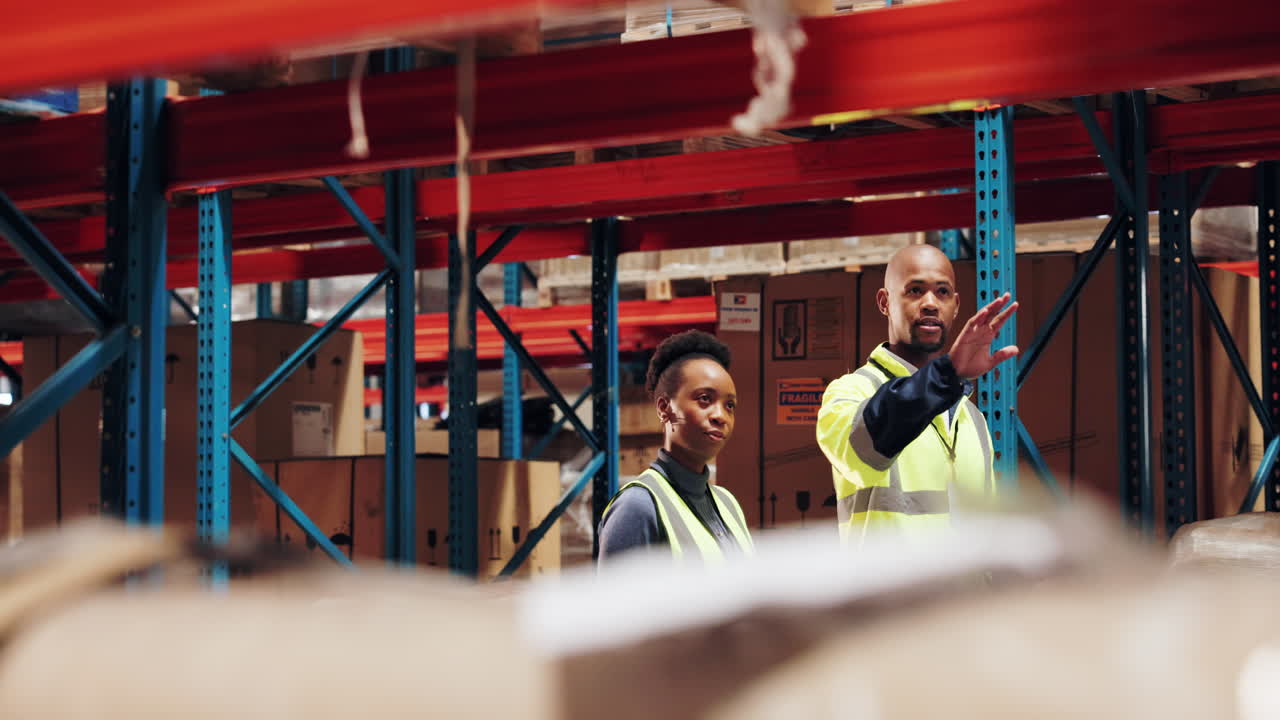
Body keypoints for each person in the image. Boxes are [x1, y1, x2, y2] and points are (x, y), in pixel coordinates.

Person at [816, 244, 1018, 544]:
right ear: (885, 302)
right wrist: (947, 374)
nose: (930, 303)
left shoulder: (972, 418)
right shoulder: (850, 392)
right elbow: (867, 446)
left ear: (956, 304)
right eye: (914, 290)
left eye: (942, 292)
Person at [597, 330, 754, 564]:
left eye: (729, 405)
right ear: (664, 408)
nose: (720, 415)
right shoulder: (638, 508)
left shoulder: (728, 504)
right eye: (704, 399)